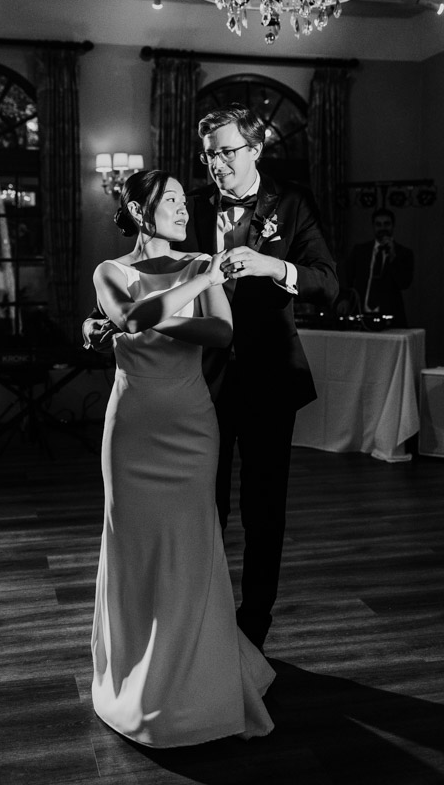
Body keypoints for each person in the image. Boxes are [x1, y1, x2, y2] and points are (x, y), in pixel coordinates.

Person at [89, 169, 275, 748]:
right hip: (133, 432)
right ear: (141, 210)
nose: (183, 209)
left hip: (191, 427)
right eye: (170, 200)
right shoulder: (111, 272)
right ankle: (137, 676)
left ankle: (197, 680)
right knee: (136, 546)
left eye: (183, 202)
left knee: (192, 544)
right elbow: (132, 317)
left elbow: (222, 334)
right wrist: (188, 291)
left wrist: (151, 315)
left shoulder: (200, 263)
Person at [184, 105, 339, 652]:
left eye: (226, 152)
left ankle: (254, 627)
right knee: (204, 507)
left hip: (270, 378)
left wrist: (275, 267)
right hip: (199, 380)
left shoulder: (291, 201)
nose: (216, 164)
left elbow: (327, 282)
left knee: (263, 509)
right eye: (209, 154)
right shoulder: (191, 208)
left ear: (255, 149)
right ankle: (205, 618)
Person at [344, 207, 414, 328]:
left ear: (393, 226)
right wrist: (345, 300)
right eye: (378, 224)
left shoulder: (404, 253)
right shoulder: (360, 251)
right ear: (373, 227)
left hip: (390, 318)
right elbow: (347, 279)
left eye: (386, 224)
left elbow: (404, 283)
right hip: (361, 316)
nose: (383, 228)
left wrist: (393, 258)